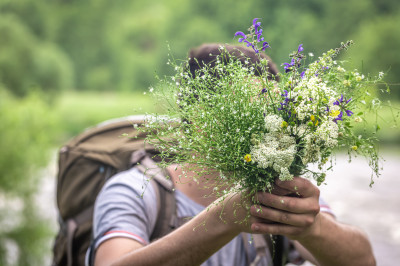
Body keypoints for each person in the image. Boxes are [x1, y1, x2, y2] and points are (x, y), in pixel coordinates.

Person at [89, 44, 376, 266]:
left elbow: (364, 261)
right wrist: (224, 219)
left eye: (273, 113)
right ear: (196, 115)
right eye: (246, 114)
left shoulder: (276, 188)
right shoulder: (135, 191)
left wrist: (310, 228)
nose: (267, 126)